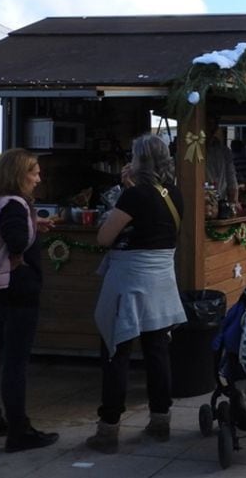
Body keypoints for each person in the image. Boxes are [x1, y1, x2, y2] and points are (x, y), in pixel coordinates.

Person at [86, 134, 187, 453]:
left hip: (130, 283)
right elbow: (154, 225)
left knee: (117, 352)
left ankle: (109, 429)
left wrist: (124, 191)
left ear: (141, 160)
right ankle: (160, 421)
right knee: (157, 351)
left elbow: (104, 237)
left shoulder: (133, 197)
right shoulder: (174, 194)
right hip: (161, 282)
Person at [0, 147, 59, 452]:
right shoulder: (15, 205)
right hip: (16, 288)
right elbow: (15, 240)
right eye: (34, 171)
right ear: (19, 174)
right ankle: (19, 431)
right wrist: (19, 257)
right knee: (15, 363)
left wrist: (34, 227)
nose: (38, 178)